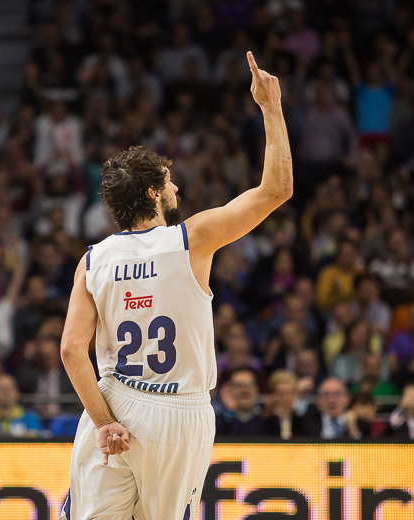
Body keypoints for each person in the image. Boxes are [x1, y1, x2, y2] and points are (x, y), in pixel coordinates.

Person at [60, 51, 292, 520]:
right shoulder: (190, 239)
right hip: (181, 413)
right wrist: (272, 108)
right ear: (152, 193)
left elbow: (70, 350)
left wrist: (105, 423)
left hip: (117, 399)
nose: (177, 190)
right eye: (169, 183)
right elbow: (276, 190)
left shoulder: (93, 259)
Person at [0, 373, 43, 437]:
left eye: (10, 388)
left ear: (18, 393)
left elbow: (37, 440)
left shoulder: (31, 418)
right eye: (1, 389)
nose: (6, 392)